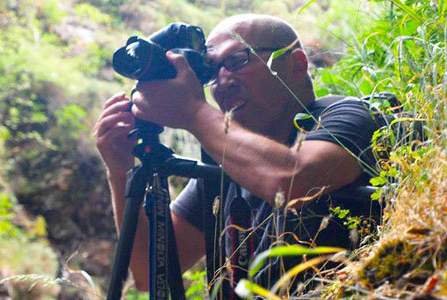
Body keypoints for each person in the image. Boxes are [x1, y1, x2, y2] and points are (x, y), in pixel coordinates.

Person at [93, 14, 381, 294]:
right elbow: (148, 271)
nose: (222, 80)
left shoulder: (350, 114)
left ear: (297, 63)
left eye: (236, 61)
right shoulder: (225, 162)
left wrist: (193, 112)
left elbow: (295, 182)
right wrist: (121, 172)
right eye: (211, 70)